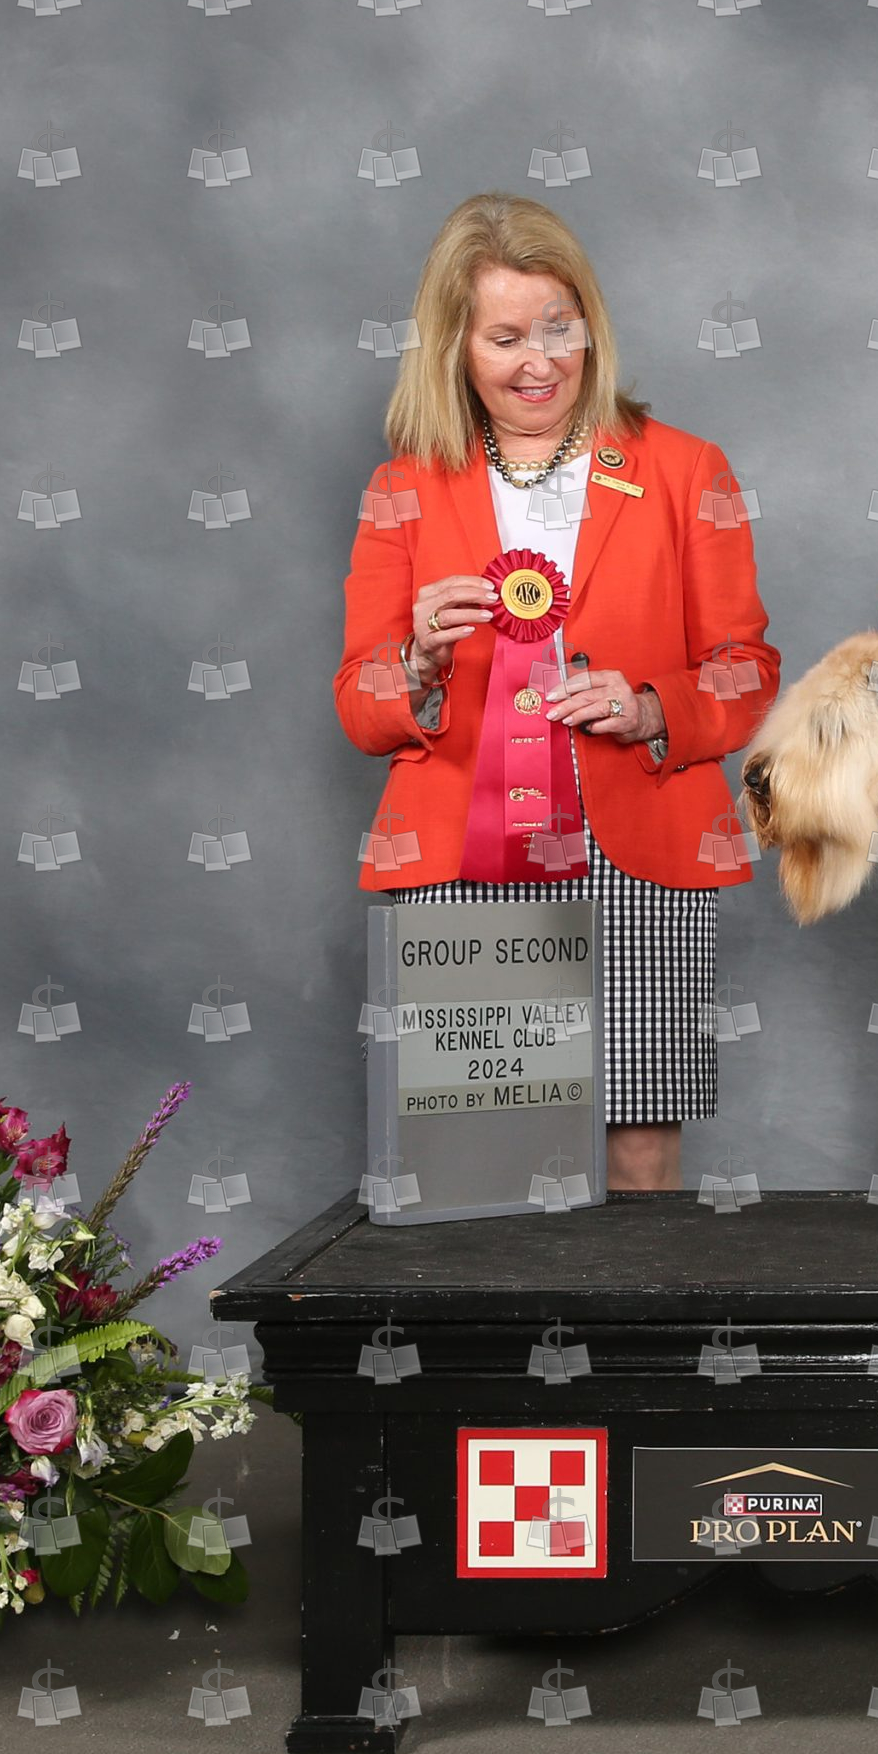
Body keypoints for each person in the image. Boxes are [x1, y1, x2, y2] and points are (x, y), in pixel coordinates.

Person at [336, 193, 779, 1192]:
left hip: (642, 850)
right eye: (505, 338)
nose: (538, 361)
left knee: (638, 1150)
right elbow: (359, 704)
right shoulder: (403, 487)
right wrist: (418, 664)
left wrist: (654, 707)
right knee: (482, 1166)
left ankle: (635, 1313)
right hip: (460, 852)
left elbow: (747, 670)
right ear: (454, 346)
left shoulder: (685, 470)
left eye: (558, 329)